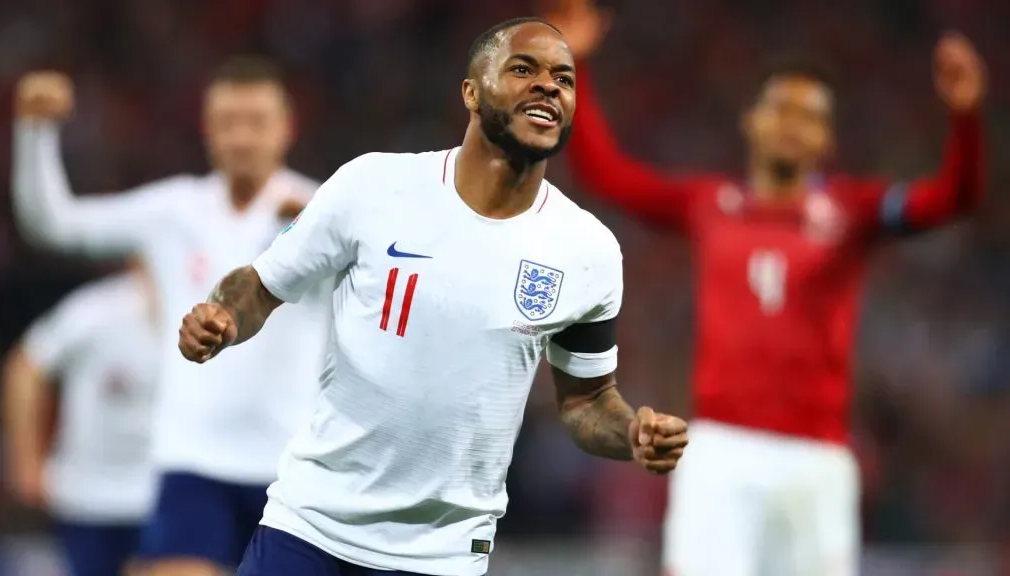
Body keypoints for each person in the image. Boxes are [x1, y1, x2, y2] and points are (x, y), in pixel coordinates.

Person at [177, 17, 689, 576]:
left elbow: (587, 402)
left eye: (564, 79)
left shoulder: (587, 249)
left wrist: (633, 432)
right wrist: (222, 315)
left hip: (441, 555)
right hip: (311, 527)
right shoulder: (373, 186)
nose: (549, 86)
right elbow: (260, 284)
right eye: (524, 69)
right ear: (471, 92)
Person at [544, 1, 987, 574]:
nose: (792, 122)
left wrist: (967, 119)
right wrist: (576, 62)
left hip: (816, 459)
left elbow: (953, 199)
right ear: (751, 120)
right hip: (720, 452)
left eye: (810, 115)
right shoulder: (712, 204)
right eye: (781, 107)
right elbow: (608, 173)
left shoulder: (852, 212)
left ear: (826, 140)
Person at [11, 56, 330, 576]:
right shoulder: (173, 212)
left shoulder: (323, 210)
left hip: (291, 467)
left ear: (286, 128)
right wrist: (34, 130)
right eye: (228, 122)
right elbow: (54, 225)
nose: (242, 137)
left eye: (257, 122)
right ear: (207, 129)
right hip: (191, 463)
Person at [2, 261, 159, 576]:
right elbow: (27, 367)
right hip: (88, 495)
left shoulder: (210, 311)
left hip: (167, 494)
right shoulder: (94, 312)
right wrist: (26, 459)